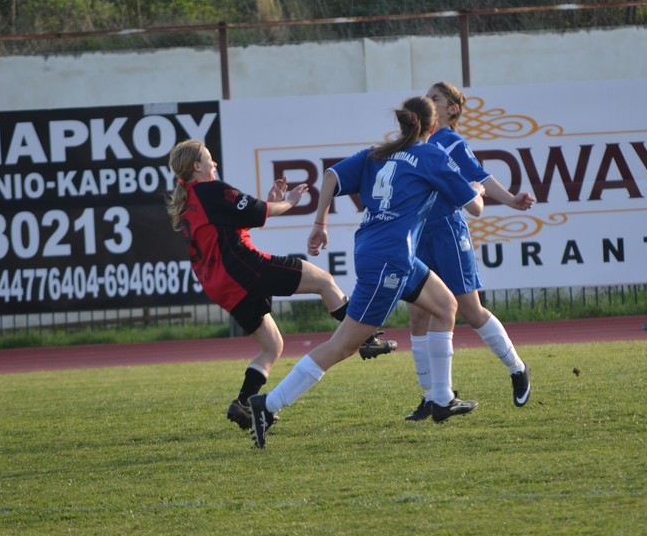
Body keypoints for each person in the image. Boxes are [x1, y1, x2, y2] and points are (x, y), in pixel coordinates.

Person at [248, 95, 486, 449]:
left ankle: (441, 399)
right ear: (433, 126)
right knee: (344, 345)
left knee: (446, 305)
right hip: (390, 259)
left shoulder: (379, 153)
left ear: (403, 123)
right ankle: (267, 405)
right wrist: (477, 188)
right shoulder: (431, 155)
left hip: (387, 253)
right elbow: (475, 207)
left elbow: (331, 175)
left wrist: (319, 224)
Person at [166, 139, 395, 432]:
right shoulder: (210, 190)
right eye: (209, 158)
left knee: (272, 346)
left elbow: (239, 221)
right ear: (197, 166)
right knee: (324, 282)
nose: (215, 163)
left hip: (220, 284)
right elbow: (258, 211)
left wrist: (269, 201)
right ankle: (365, 338)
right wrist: (289, 202)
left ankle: (244, 403)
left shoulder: (190, 199)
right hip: (243, 268)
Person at [405, 82, 536, 421]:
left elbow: (480, 177)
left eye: (435, 98)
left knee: (470, 310)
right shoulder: (415, 142)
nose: (428, 101)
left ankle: (517, 368)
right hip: (418, 234)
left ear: (453, 110)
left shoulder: (451, 141)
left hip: (447, 232)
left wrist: (511, 200)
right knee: (417, 314)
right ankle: (430, 397)